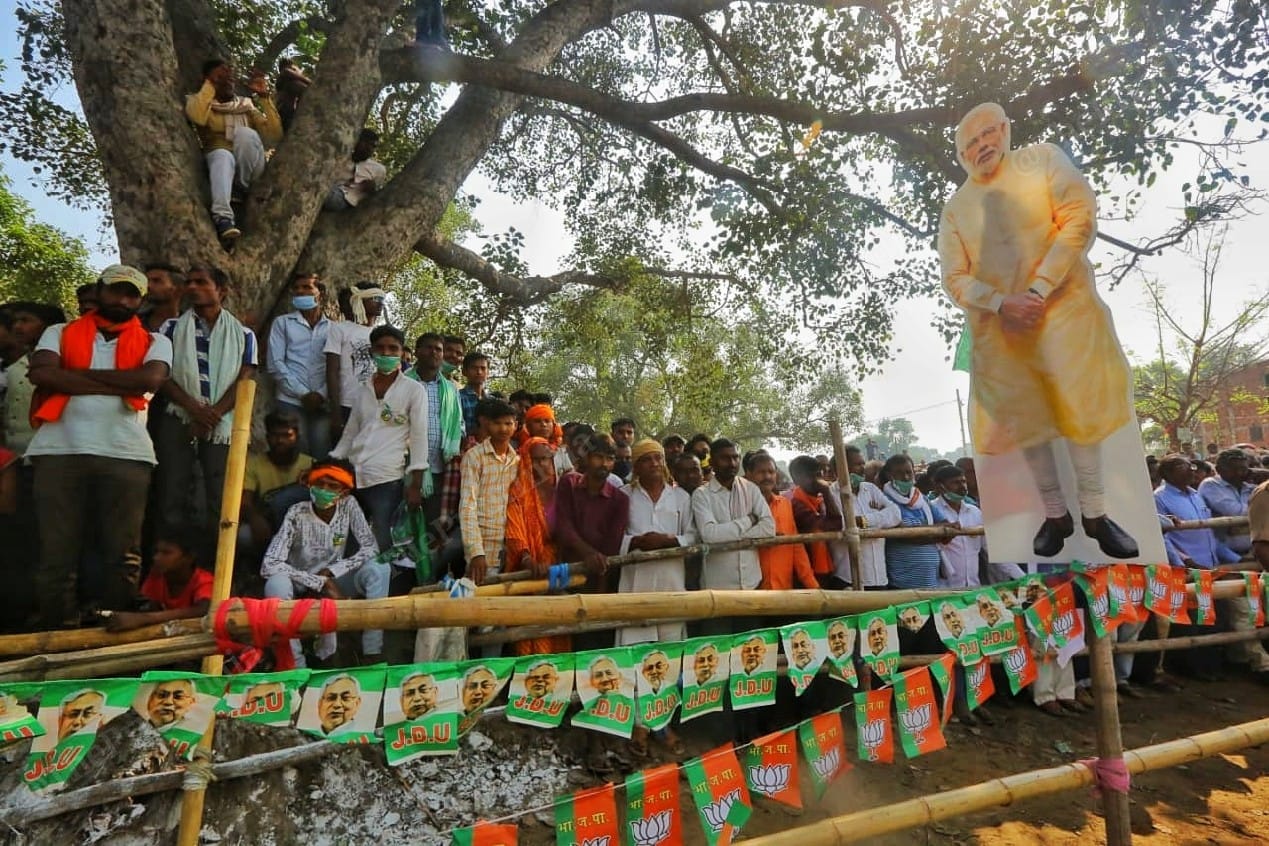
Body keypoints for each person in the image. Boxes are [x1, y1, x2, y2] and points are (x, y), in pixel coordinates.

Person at [939, 102, 1138, 560]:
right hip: (1000, 330)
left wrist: (1039, 288)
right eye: (970, 143)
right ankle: (1055, 514)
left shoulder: (1044, 160)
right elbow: (955, 278)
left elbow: (1077, 219)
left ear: (1006, 130)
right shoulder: (955, 209)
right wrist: (1001, 303)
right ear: (961, 156)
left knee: (1079, 409)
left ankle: (1095, 512)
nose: (982, 146)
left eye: (988, 133)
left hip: (1066, 309)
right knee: (1026, 423)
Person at [26, 265, 173, 627]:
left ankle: (113, 631)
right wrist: (121, 383)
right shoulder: (59, 332)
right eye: (116, 291)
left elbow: (149, 380)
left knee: (123, 555)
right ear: (100, 290)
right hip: (58, 451)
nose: (123, 300)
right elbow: (42, 374)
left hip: (127, 454)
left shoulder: (156, 340)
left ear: (140, 300)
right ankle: (56, 637)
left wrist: (72, 377)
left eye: (131, 295)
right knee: (56, 554)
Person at [157, 264, 258, 535]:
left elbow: (244, 380)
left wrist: (212, 413)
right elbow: (161, 374)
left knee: (222, 495)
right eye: (189, 282)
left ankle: (217, 569)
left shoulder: (244, 335)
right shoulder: (171, 327)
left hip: (223, 423)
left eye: (201, 282)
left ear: (221, 291)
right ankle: (173, 562)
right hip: (179, 416)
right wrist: (193, 408)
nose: (192, 287)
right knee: (172, 491)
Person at [262, 461, 387, 666]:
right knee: (276, 584)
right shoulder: (297, 512)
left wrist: (333, 571)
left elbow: (370, 548)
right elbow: (269, 563)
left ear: (344, 492)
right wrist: (317, 582)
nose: (324, 490)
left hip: (333, 579)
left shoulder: (349, 505)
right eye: (320, 484)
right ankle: (296, 665)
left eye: (332, 486)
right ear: (310, 485)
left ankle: (372, 652)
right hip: (298, 582)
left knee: (380, 567)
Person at [328, 325, 429, 551]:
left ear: (402, 353)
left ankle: (385, 585)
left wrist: (416, 485)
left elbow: (419, 437)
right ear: (372, 351)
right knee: (351, 537)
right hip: (353, 474)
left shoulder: (414, 390)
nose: (386, 354)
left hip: (386, 478)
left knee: (383, 538)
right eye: (380, 348)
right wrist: (334, 459)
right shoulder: (363, 389)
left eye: (393, 349)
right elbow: (351, 432)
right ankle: (350, 583)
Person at [185, 60, 281, 240]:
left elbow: (274, 136)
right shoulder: (199, 102)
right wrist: (210, 85)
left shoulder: (246, 105)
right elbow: (196, 117)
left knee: (245, 134)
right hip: (220, 161)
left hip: (250, 170)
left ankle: (240, 188)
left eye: (230, 80)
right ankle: (223, 218)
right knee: (222, 155)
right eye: (221, 78)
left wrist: (264, 98)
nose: (228, 83)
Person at [618, 439, 695, 645]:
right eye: (646, 460)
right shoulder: (623, 496)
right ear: (636, 467)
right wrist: (637, 542)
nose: (654, 463)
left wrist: (667, 541)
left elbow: (692, 536)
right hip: (635, 581)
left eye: (658, 457)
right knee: (635, 647)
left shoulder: (681, 497)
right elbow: (614, 539)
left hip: (671, 580)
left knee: (670, 649)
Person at [1203, 449, 1269, 677]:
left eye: (1244, 466)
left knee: (1258, 608)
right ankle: (1261, 664)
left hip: (1256, 554)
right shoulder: (1210, 486)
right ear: (1221, 469)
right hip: (1228, 557)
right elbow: (1234, 511)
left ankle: (1240, 657)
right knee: (1242, 610)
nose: (1242, 471)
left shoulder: (1251, 489)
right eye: (1236, 467)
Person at [503, 436, 569, 654]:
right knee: (529, 633)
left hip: (559, 569)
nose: (542, 465)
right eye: (536, 460)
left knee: (559, 627)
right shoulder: (519, 491)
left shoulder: (563, 490)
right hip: (529, 569)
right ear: (526, 462)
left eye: (546, 460)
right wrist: (526, 558)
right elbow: (515, 529)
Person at [554, 434, 630, 616]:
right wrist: (588, 553)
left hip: (600, 577)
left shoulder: (620, 499)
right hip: (567, 571)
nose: (604, 463)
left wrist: (596, 560)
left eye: (610, 459)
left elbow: (612, 544)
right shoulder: (569, 483)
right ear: (587, 458)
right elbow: (563, 527)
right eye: (599, 457)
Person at [691, 438, 774, 591]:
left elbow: (769, 528)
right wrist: (750, 520)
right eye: (725, 458)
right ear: (712, 462)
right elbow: (710, 535)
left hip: (752, 583)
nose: (732, 463)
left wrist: (728, 535)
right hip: (718, 589)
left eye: (735, 457)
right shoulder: (702, 495)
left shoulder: (751, 489)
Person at [268, 273, 332, 458]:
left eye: (306, 287)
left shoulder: (333, 328)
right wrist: (303, 394)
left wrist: (321, 394)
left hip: (322, 403)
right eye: (296, 288)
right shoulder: (283, 323)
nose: (300, 291)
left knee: (321, 452)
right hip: (290, 400)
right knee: (295, 453)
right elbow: (276, 363)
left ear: (320, 294)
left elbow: (336, 367)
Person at [458, 398, 520, 585]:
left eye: (508, 423)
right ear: (487, 424)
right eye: (497, 423)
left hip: (511, 549)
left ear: (515, 426)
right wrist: (476, 552)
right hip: (484, 549)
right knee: (476, 606)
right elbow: (467, 507)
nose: (503, 429)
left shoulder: (517, 461)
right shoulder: (474, 457)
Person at [405, 332, 464, 526]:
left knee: (431, 531)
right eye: (428, 347)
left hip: (439, 469)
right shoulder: (402, 383)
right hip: (404, 469)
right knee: (402, 530)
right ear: (417, 351)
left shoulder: (450, 389)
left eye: (438, 349)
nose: (434, 352)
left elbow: (459, 426)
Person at [105, 527, 212, 632]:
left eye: (166, 553)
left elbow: (203, 610)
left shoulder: (204, 580)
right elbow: (150, 606)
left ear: (188, 557)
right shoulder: (158, 576)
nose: (156, 557)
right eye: (156, 552)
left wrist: (144, 618)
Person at [241, 410, 313, 556]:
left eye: (287, 435)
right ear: (267, 438)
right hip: (269, 525)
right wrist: (255, 519)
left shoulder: (311, 465)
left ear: (297, 437)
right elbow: (245, 501)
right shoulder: (254, 464)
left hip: (302, 529)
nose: (280, 441)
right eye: (275, 435)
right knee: (244, 536)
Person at [745, 451, 816, 591]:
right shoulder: (741, 506)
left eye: (771, 472)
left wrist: (813, 585)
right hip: (751, 591)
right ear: (748, 474)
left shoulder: (785, 504)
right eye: (761, 472)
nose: (767, 477)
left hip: (783, 590)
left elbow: (796, 546)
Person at [833, 446, 900, 589]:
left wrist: (864, 520)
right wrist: (880, 517)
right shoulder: (832, 494)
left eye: (863, 463)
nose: (863, 468)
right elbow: (845, 524)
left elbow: (895, 514)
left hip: (880, 578)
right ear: (840, 467)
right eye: (857, 464)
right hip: (850, 578)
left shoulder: (870, 489)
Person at [325, 282, 385, 444]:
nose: (380, 302)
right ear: (359, 300)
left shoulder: (383, 334)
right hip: (347, 405)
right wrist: (335, 414)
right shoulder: (340, 329)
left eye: (382, 298)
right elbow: (332, 371)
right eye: (375, 298)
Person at [1156, 455, 1240, 569]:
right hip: (1186, 570)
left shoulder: (1196, 495)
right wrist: (1184, 562)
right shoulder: (1159, 498)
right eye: (1183, 466)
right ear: (1167, 473)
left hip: (1210, 566)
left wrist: (1236, 558)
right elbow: (1161, 538)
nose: (1191, 470)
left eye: (1191, 466)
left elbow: (1208, 534)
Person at [878, 455, 942, 589]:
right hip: (902, 582)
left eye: (908, 472)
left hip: (931, 580)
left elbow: (946, 524)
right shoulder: (883, 500)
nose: (906, 477)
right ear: (890, 476)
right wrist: (935, 533)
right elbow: (901, 535)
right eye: (900, 473)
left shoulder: (922, 499)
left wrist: (922, 532)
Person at [786, 455, 844, 587]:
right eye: (812, 476)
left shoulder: (818, 502)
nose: (818, 480)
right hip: (807, 572)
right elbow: (835, 524)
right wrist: (826, 491)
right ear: (797, 480)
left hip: (825, 570)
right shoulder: (797, 506)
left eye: (819, 475)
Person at [932, 465, 985, 588]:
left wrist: (1020, 576)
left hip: (973, 586)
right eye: (955, 483)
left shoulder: (975, 512)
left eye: (963, 481)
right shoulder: (932, 510)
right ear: (940, 487)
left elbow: (988, 548)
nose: (962, 487)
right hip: (945, 588)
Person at [323, 129, 388, 211]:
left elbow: (375, 193)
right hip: (333, 187)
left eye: (373, 146)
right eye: (365, 143)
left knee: (323, 194)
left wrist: (370, 188)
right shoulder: (342, 159)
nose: (369, 148)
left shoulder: (378, 169)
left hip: (346, 199)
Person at [458, 352, 493, 436]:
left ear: (488, 372)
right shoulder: (458, 397)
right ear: (464, 371)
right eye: (474, 368)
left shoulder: (492, 401)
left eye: (483, 368)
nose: (479, 372)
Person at [141, 265, 183, 333]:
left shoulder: (191, 325)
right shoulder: (134, 322)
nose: (148, 285)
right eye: (147, 281)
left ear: (178, 289)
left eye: (156, 281)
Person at [273, 57, 311, 131]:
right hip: (284, 111)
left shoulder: (289, 84)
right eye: (293, 69)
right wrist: (312, 83)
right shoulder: (286, 74)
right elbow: (303, 81)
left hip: (286, 112)